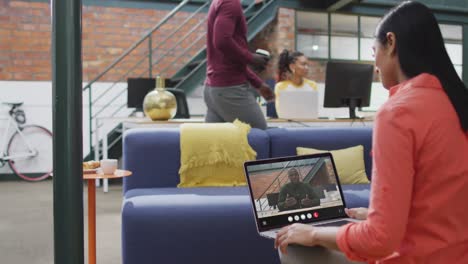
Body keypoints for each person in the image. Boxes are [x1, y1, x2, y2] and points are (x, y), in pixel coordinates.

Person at [274, 1, 468, 264]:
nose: (374, 63)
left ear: (391, 42)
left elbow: (379, 239)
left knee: (294, 245)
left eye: (374, 51)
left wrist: (314, 233)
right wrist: (384, 214)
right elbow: (443, 200)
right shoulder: (455, 103)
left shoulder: (398, 113)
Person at [203, 0, 275, 130]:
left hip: (213, 89)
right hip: (230, 90)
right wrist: (251, 58)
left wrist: (258, 83)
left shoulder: (219, 2)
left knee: (217, 147)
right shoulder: (231, 3)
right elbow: (222, 41)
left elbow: (229, 59)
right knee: (259, 138)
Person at [274, 49, 318, 113]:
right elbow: (281, 113)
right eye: (303, 64)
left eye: (307, 65)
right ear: (292, 66)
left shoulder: (312, 85)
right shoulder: (280, 86)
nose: (307, 67)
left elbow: (313, 111)